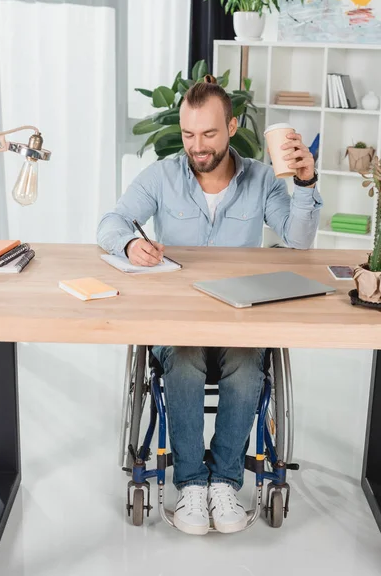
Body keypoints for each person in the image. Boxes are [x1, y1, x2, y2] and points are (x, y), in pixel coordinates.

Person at [97, 75, 322, 536]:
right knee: (182, 358)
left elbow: (298, 242)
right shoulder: (162, 176)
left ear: (233, 126)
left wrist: (306, 182)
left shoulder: (262, 178)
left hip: (238, 324)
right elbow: (111, 221)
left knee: (245, 361)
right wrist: (127, 245)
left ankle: (224, 481)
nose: (197, 146)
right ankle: (193, 486)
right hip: (178, 327)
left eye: (209, 133)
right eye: (188, 134)